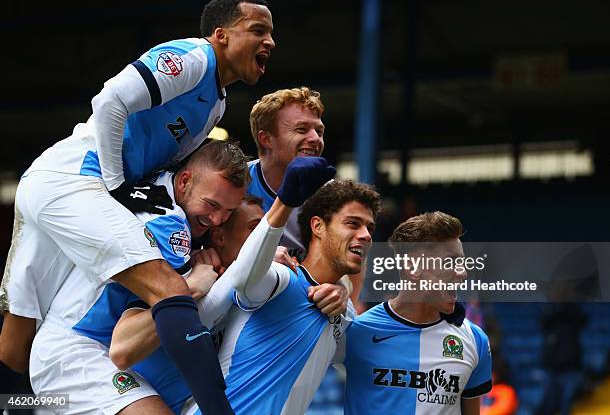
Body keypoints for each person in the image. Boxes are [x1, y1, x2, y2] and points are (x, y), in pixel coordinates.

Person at [0, 0, 274, 409]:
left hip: (54, 185)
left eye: (271, 33)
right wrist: (115, 185)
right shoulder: (195, 58)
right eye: (258, 30)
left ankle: (19, 406)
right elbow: (110, 101)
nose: (270, 41)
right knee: (169, 287)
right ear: (220, 35)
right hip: (76, 179)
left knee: (17, 342)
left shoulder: (216, 104)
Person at [28, 140, 249, 414]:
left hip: (72, 345)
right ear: (184, 182)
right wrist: (193, 282)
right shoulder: (169, 224)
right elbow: (176, 302)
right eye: (212, 205)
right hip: (75, 352)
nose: (217, 219)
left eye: (229, 211)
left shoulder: (152, 181)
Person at [109, 156, 338, 413]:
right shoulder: (181, 273)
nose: (217, 218)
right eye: (253, 230)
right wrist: (190, 288)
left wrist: (337, 294)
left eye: (227, 212)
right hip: (119, 394)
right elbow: (121, 349)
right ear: (218, 236)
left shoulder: (257, 290)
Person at [181, 179, 381, 415]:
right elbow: (244, 278)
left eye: (369, 228)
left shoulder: (342, 310)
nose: (366, 235)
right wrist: (284, 201)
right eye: (353, 223)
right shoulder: (282, 277)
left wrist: (343, 289)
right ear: (317, 226)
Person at [341, 212, 493, 414]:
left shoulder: (475, 340)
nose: (463, 272)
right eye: (450, 262)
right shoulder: (356, 331)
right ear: (412, 267)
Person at [246, 86, 350, 309]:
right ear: (266, 139)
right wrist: (259, 257)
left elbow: (353, 258)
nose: (315, 139)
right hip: (242, 300)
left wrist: (344, 290)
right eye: (301, 129)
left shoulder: (330, 194)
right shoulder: (235, 183)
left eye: (319, 132)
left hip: (304, 302)